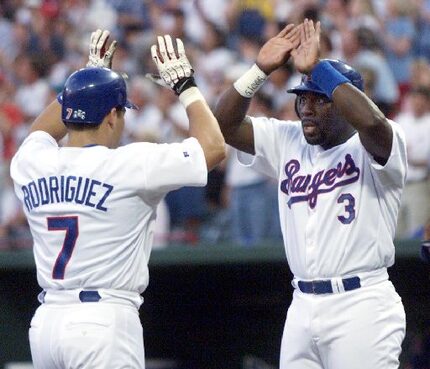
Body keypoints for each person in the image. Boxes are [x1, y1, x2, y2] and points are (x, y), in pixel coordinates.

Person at [10, 29, 225, 369]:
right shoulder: (130, 164)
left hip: (47, 323)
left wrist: (85, 77)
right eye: (122, 113)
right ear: (112, 116)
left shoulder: (31, 163)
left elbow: (41, 130)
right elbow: (213, 147)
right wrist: (185, 85)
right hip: (102, 321)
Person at [214, 19, 407, 369]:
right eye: (303, 98)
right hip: (302, 304)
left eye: (320, 100)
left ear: (348, 102)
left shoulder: (378, 141)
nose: (306, 108)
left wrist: (318, 68)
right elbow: (223, 126)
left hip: (361, 304)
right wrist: (258, 70)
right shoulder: (289, 140)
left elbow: (374, 124)